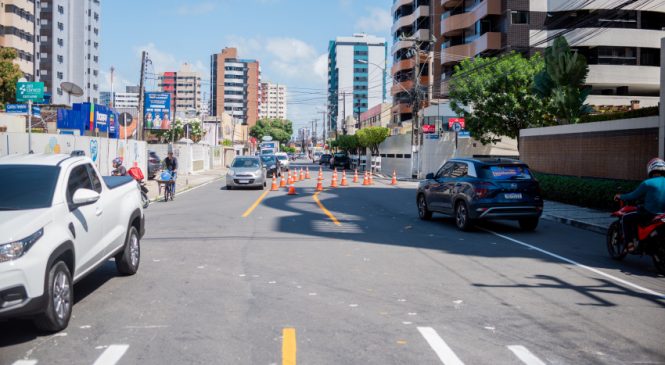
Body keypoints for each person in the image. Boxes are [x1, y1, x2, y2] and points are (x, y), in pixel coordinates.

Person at [614, 158, 665, 251]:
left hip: (649, 214)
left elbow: (633, 196)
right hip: (662, 215)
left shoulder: (647, 183)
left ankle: (629, 244)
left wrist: (620, 196)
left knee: (626, 218)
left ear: (650, 169)